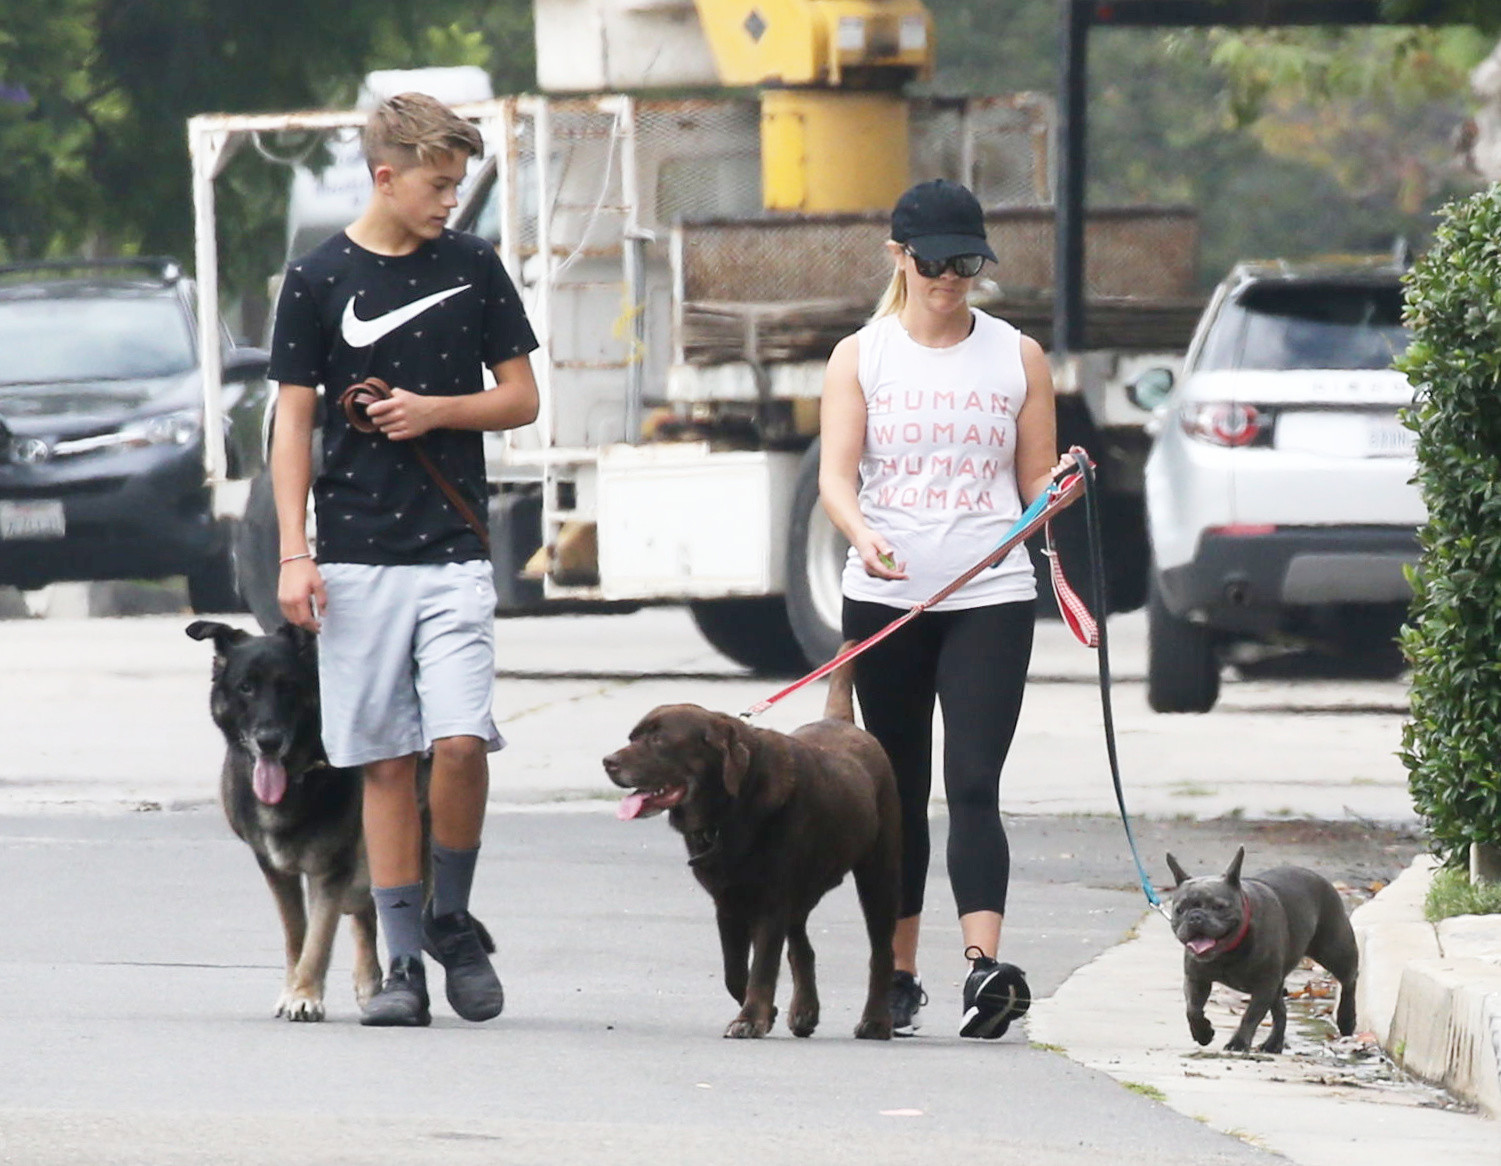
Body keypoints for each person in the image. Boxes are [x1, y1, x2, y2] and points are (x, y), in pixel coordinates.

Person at [267, 92, 540, 1027]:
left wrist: (434, 410)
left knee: (459, 743)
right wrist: (294, 552)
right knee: (384, 763)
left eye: (459, 185)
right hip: (353, 557)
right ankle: (400, 968)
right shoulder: (316, 279)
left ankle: (449, 918)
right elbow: (292, 424)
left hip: (453, 548)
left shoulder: (472, 265)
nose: (451, 201)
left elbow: (521, 398)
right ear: (386, 178)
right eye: (438, 184)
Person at [818, 178, 1063, 1039]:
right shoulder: (862, 356)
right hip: (886, 598)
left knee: (973, 783)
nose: (950, 280)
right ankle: (897, 973)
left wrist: (1057, 491)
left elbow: (1032, 482)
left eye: (966, 264)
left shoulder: (1016, 356)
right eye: (933, 264)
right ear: (899, 257)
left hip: (987, 595)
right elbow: (835, 480)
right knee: (897, 791)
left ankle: (982, 969)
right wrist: (862, 535)